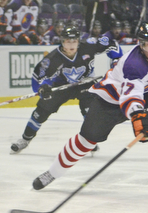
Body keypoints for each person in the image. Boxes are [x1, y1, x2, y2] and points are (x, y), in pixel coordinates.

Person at [29, 23, 148, 201]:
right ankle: (52, 173)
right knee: (85, 142)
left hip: (144, 95)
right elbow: (130, 96)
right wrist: (138, 116)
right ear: (141, 45)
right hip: (109, 101)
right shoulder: (133, 64)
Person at [11, 25, 123, 154]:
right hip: (61, 86)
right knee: (41, 111)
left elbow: (111, 44)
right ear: (62, 41)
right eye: (68, 41)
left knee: (91, 110)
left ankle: (89, 140)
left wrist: (116, 62)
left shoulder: (89, 46)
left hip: (84, 83)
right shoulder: (52, 59)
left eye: (74, 41)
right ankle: (25, 139)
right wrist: (43, 89)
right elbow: (38, 77)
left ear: (78, 41)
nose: (71, 45)